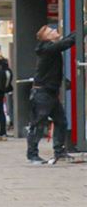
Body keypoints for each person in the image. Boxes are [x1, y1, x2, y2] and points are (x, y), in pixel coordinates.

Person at [26, 25, 77, 164]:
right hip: (42, 93)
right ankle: (32, 155)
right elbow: (68, 42)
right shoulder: (47, 49)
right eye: (51, 31)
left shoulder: (51, 48)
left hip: (50, 92)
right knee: (38, 124)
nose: (55, 31)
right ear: (47, 38)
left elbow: (68, 38)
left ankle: (59, 151)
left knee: (61, 122)